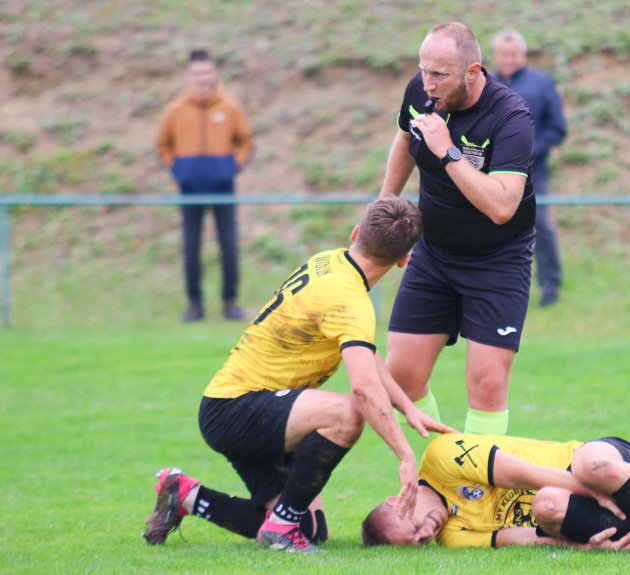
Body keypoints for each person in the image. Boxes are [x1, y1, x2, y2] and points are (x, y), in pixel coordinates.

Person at [142, 197, 456, 554]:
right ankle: (281, 528)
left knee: (312, 529)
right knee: (349, 412)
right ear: (404, 260)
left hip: (244, 409)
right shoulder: (350, 301)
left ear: (356, 233)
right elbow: (364, 389)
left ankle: (186, 496)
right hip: (237, 408)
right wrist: (405, 456)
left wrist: (407, 407)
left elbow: (365, 352)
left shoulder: (329, 260)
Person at [379, 22, 536, 436]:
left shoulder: (511, 117)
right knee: (400, 378)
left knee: (486, 385)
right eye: (423, 70)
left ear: (473, 71)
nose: (427, 84)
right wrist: (383, 209)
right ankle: (444, 470)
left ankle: (475, 493)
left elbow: (503, 207)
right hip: (434, 253)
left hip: (497, 260)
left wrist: (447, 151)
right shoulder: (421, 90)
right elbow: (404, 141)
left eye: (439, 75)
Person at [362, 432, 630, 552]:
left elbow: (528, 474)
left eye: (412, 527)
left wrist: (596, 493)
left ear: (398, 501)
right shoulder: (452, 538)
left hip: (606, 470)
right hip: (579, 513)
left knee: (590, 464)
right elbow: (529, 537)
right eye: (415, 543)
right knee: (548, 506)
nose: (424, 535)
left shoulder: (440, 455)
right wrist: (587, 550)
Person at [157, 49, 254, 322]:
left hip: (223, 188)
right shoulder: (175, 110)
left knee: (228, 246)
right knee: (191, 248)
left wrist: (232, 167)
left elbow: (246, 141)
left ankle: (230, 302)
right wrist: (178, 170)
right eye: (197, 72)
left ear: (215, 74)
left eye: (207, 72)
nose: (203, 77)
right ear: (189, 75)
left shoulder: (230, 108)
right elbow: (163, 144)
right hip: (189, 190)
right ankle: (195, 305)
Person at [492, 30, 567, 307]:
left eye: (513, 54)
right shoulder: (486, 84)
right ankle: (498, 288)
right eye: (503, 54)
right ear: (496, 56)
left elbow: (558, 128)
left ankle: (550, 287)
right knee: (494, 227)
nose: (508, 59)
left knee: (539, 227)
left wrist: (530, 151)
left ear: (523, 54)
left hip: (534, 173)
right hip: (493, 174)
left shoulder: (542, 83)